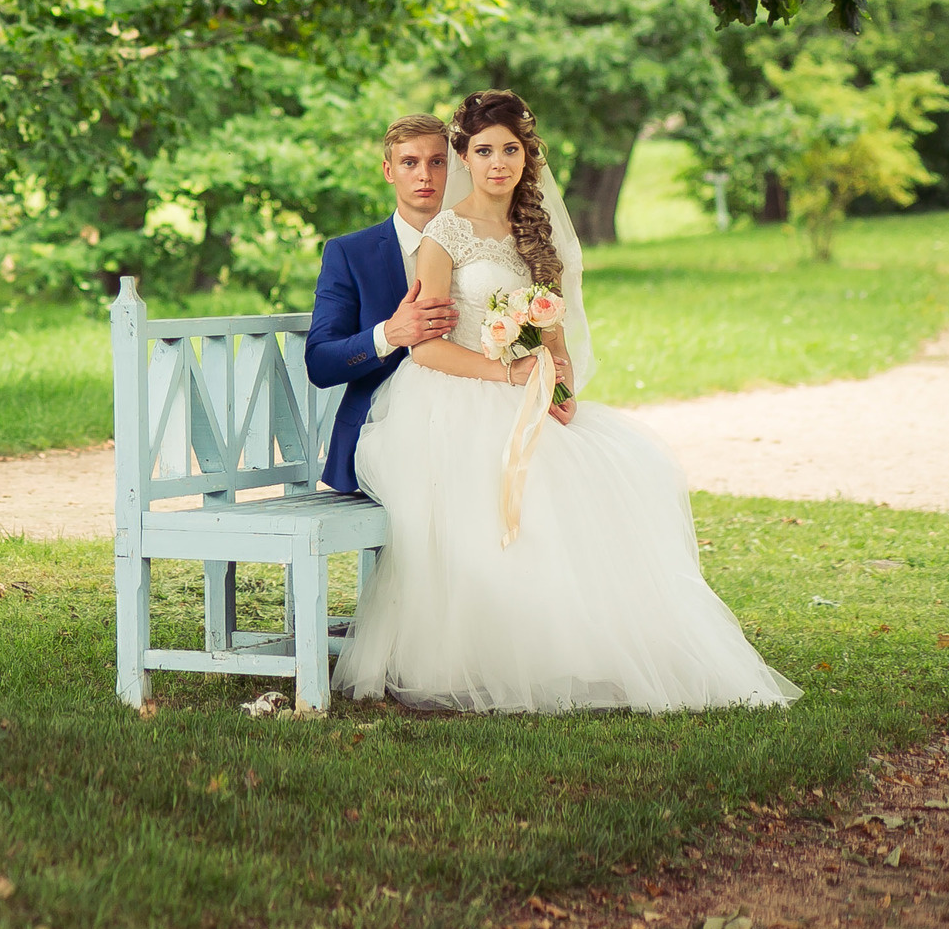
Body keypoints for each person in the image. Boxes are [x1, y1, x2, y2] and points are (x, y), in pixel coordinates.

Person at [335, 89, 802, 714]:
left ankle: (595, 646)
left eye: (511, 149)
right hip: (455, 396)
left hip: (525, 390)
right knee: (516, 488)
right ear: (464, 158)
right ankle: (490, 654)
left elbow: (552, 331)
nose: (498, 162)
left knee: (621, 469)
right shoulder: (443, 237)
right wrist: (508, 376)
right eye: (483, 150)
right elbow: (425, 350)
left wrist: (558, 383)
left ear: (528, 156)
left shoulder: (535, 231)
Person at [304, 114, 460, 495]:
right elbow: (320, 363)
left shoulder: (482, 249)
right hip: (381, 435)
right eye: (410, 163)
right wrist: (388, 334)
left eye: (437, 162)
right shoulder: (349, 254)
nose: (425, 175)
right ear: (389, 171)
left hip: (468, 424)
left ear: (454, 167)